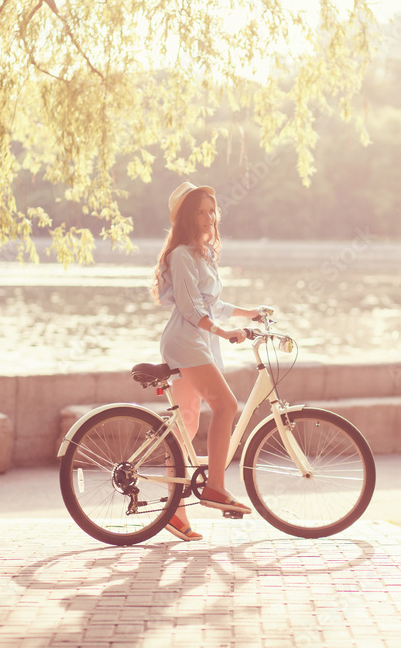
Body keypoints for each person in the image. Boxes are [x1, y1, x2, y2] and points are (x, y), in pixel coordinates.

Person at [151, 181, 260, 541]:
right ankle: (215, 486)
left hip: (196, 340)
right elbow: (191, 307)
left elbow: (212, 304)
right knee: (226, 405)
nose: (209, 217)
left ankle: (175, 515)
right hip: (186, 342)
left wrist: (249, 313)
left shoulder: (202, 255)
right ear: (186, 217)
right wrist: (223, 333)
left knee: (186, 424)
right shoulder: (182, 254)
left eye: (212, 210)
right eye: (200, 211)